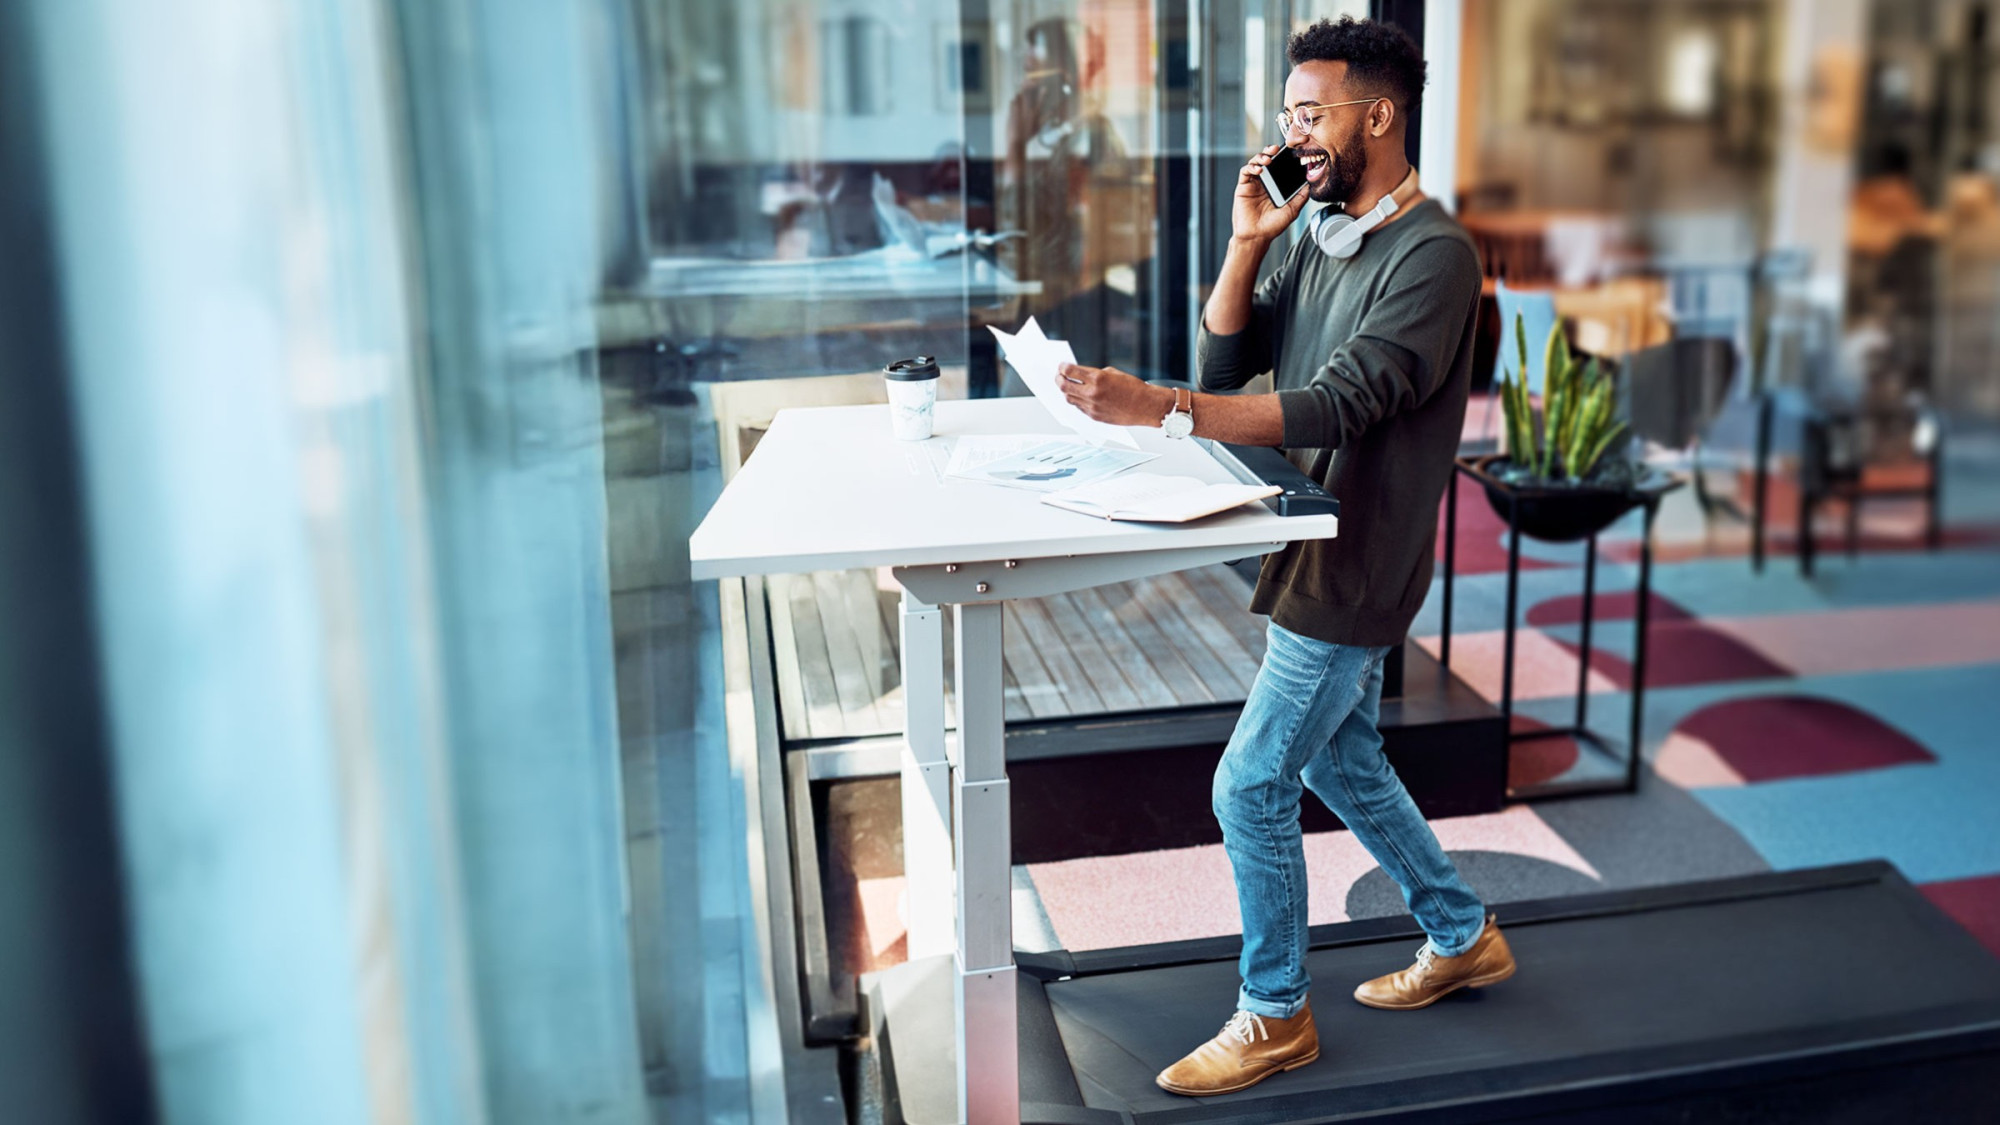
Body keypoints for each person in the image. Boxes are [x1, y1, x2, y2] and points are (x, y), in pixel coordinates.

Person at [1058, 16, 1513, 1096]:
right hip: (1302, 529)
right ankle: (1459, 934)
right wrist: (1250, 241)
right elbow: (1231, 349)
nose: (1292, 133)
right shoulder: (1320, 233)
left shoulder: (1433, 255)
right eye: (1286, 115)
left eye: (1310, 114)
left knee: (1249, 783)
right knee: (1338, 760)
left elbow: (1337, 401)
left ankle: (1273, 1015)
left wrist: (1158, 410)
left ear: (1378, 115)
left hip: (1355, 554)